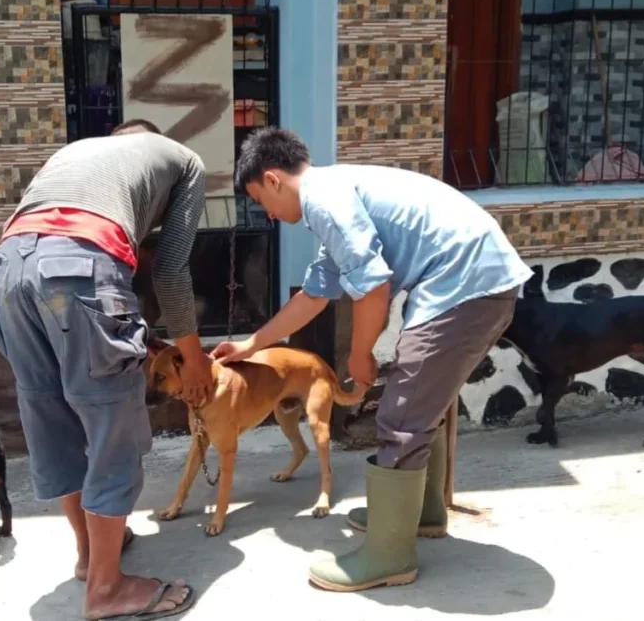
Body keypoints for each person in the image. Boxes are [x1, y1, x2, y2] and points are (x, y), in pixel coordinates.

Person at [212, 127, 533, 592]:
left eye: (262, 200)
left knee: (401, 414)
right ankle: (417, 516)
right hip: (475, 284)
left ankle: (390, 556)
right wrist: (252, 345)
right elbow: (315, 296)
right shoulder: (334, 197)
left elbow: (374, 287)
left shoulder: (326, 201)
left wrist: (360, 355)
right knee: (422, 403)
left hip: (466, 288)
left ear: (273, 178)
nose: (270, 214)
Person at [0, 119, 206, 619]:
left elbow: (47, 249)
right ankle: (107, 591)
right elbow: (171, 271)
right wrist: (192, 359)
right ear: (153, 141)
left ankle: (90, 556)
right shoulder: (184, 161)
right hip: (81, 264)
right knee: (114, 426)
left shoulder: (83, 153)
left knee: (50, 416)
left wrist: (132, 333)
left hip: (10, 272)